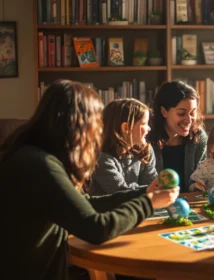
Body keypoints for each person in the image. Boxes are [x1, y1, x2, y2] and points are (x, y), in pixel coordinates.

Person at [2, 80, 179, 280]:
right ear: (78, 126)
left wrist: (144, 192)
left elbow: (85, 204)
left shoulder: (35, 156)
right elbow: (97, 228)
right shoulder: (39, 165)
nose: (97, 133)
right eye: (95, 124)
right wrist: (149, 203)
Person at [89, 98, 157, 196]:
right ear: (126, 128)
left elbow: (151, 182)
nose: (149, 128)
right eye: (144, 124)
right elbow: (121, 192)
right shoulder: (101, 159)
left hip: (139, 208)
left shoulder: (145, 151)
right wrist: (154, 189)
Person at [148, 81, 207, 193]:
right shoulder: (147, 140)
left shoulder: (198, 137)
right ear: (164, 112)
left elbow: (201, 176)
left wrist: (195, 186)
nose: (189, 120)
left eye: (192, 113)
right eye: (181, 113)